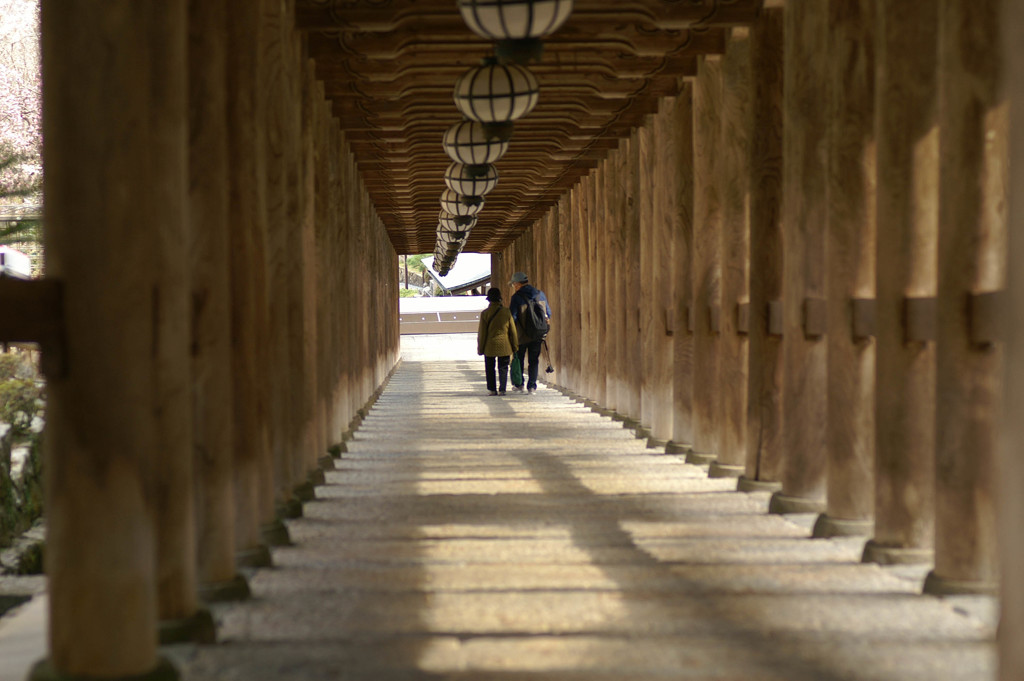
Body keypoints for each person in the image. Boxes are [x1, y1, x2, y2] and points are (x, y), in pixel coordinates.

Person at [508, 271, 552, 395]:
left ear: (517, 284)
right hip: (537, 333)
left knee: (520, 358)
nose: (513, 287)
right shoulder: (540, 294)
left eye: (513, 285)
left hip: (522, 335)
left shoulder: (516, 297)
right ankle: (532, 386)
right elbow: (548, 313)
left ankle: (519, 384)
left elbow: (513, 316)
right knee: (534, 360)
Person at [477, 287, 518, 396]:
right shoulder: (506, 312)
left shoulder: (485, 314)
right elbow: (512, 331)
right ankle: (502, 389)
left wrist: (480, 348)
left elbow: (482, 333)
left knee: (490, 368)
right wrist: (515, 346)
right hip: (504, 345)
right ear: (499, 299)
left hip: (489, 345)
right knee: (503, 367)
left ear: (489, 300)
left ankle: (492, 389)